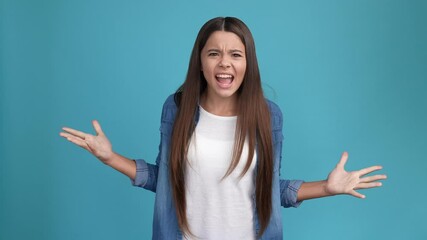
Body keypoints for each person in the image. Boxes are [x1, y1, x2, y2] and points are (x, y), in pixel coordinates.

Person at [59, 17, 387, 240]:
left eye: (235, 54)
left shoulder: (268, 116)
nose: (224, 63)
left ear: (247, 62)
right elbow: (165, 181)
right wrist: (109, 157)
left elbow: (270, 191)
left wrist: (328, 188)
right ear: (200, 61)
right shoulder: (177, 109)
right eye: (214, 53)